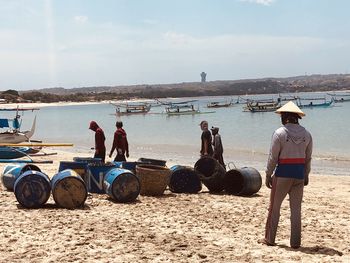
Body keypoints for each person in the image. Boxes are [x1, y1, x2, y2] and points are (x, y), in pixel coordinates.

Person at [261, 101, 313, 249]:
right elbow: (308, 158)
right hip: (299, 175)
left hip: (282, 174)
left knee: (274, 208)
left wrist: (268, 174)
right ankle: (295, 242)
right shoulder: (307, 134)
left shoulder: (279, 133)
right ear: (297, 117)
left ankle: (269, 239)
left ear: (285, 117)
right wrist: (306, 174)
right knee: (296, 210)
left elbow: (273, 158)